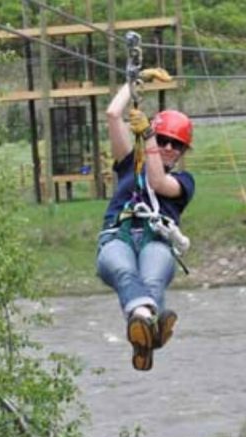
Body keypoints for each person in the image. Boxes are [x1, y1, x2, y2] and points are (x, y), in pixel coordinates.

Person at [96, 82, 195, 371]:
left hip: (156, 240)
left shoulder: (185, 183)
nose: (167, 147)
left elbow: (157, 182)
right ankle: (149, 325)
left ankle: (143, 327)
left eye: (174, 144)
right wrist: (132, 83)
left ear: (182, 152)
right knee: (123, 269)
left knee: (152, 279)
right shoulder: (129, 164)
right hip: (118, 236)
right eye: (163, 139)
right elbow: (114, 114)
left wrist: (149, 135)